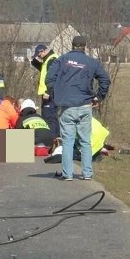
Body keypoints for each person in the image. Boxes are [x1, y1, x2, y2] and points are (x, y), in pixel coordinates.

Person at [46, 35, 111, 180]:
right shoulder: (91, 62)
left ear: (72, 45)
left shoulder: (62, 60)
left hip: (66, 106)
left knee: (68, 141)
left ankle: (67, 174)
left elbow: (49, 78)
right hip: (85, 105)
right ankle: (87, 173)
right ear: (84, 46)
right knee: (85, 141)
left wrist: (55, 94)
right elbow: (105, 79)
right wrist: (99, 97)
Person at [31, 44, 60, 138]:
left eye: (39, 55)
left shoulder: (52, 60)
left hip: (50, 94)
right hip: (49, 94)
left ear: (43, 51)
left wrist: (48, 91)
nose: (39, 57)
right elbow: (44, 69)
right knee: (51, 117)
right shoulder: (48, 60)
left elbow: (54, 77)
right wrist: (34, 61)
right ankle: (56, 139)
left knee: (49, 118)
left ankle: (51, 140)